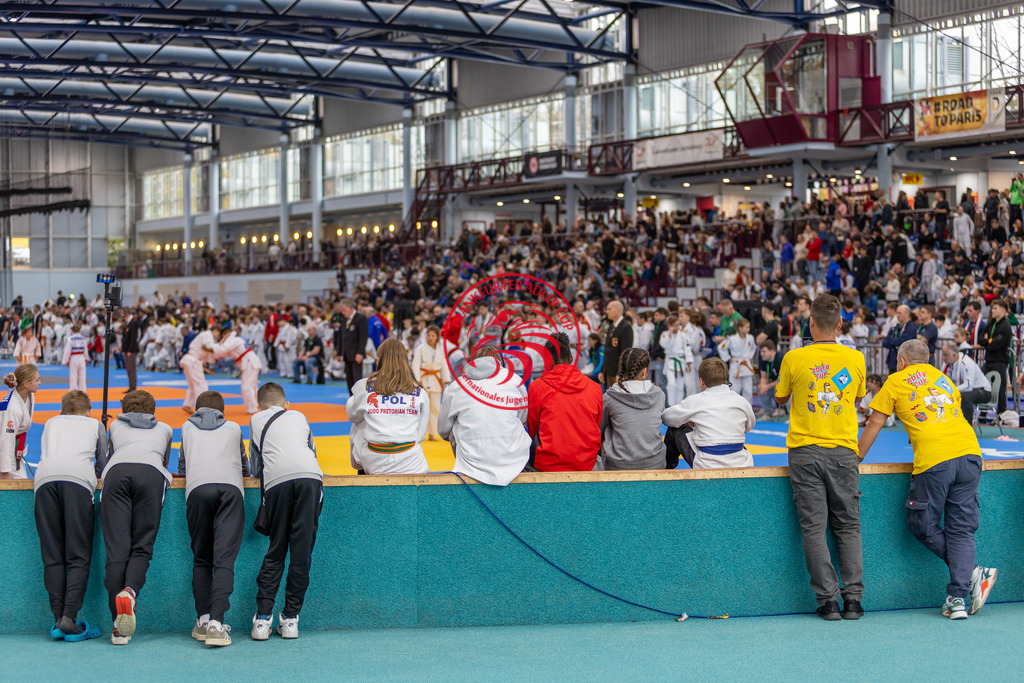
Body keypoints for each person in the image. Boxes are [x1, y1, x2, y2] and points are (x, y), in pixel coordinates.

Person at [859, 339, 997, 620]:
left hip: (935, 460)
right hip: (970, 454)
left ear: (901, 362)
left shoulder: (896, 381)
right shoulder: (944, 379)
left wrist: (856, 459)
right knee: (961, 529)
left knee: (921, 523)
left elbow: (875, 422)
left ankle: (971, 572)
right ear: (929, 359)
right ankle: (957, 598)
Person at [774, 294, 866, 621]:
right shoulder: (855, 359)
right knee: (848, 525)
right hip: (843, 450)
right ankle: (853, 600)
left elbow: (781, 396)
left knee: (814, 528)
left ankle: (828, 602)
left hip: (804, 451)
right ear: (840, 323)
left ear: (810, 322)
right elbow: (856, 396)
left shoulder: (794, 357)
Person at [249, 382, 324, 641]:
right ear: (286, 404)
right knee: (301, 554)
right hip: (310, 479)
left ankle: (262, 619)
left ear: (259, 406)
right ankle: (290, 619)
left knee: (276, 549)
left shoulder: (255, 420)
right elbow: (312, 451)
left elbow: (255, 466)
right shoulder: (300, 416)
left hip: (277, 483)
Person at [100, 390, 173, 645]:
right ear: (152, 409)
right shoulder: (165, 428)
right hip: (151, 474)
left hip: (117, 473)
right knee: (141, 547)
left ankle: (118, 628)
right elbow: (165, 460)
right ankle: (130, 591)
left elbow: (107, 456)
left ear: (124, 409)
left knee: (116, 551)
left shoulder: (115, 427)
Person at [34, 389, 107, 641]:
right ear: (88, 410)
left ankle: (58, 619)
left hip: (43, 482)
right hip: (77, 483)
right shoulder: (94, 424)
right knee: (78, 556)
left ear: (62, 409)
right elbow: (103, 462)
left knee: (52, 556)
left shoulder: (50, 423)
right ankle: (69, 617)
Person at [179, 390, 249, 648]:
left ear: (196, 409)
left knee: (201, 558)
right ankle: (218, 624)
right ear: (223, 411)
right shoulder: (233, 427)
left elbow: (183, 466)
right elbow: (245, 466)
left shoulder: (187, 427)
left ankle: (202, 619)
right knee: (224, 559)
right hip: (230, 490)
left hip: (197, 489)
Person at [438, 347, 530, 486]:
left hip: (470, 464)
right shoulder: (514, 380)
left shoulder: (456, 386)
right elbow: (524, 419)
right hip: (514, 460)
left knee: (455, 427)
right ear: (499, 362)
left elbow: (443, 430)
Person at [347, 338, 429, 475]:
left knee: (359, 421)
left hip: (374, 461)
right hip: (411, 461)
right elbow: (420, 433)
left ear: (379, 360)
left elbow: (352, 414)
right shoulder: (419, 391)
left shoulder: (365, 386)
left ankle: (360, 470)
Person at [527, 332, 603, 471]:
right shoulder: (594, 388)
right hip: (586, 463)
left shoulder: (536, 387)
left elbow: (533, 430)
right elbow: (595, 423)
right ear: (571, 357)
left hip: (548, 464)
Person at [661, 357, 755, 469]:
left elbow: (666, 418)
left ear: (701, 382)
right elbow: (749, 427)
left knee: (675, 429)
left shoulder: (695, 401)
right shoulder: (742, 401)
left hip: (706, 463)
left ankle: (665, 470)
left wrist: (689, 420)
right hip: (740, 462)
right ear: (726, 378)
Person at [598, 348, 667, 470]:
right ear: (645, 371)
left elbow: (599, 429)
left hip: (618, 465)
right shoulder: (659, 395)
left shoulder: (610, 396)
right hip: (654, 465)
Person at [209, 322, 264, 414]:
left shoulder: (234, 340)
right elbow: (221, 354)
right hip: (249, 361)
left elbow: (223, 349)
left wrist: (213, 346)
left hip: (249, 362)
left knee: (247, 387)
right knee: (252, 386)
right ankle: (259, 406)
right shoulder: (234, 340)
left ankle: (253, 409)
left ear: (226, 334)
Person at [412, 325, 452, 441]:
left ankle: (431, 433)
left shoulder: (440, 349)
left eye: (433, 336)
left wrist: (446, 381)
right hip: (423, 380)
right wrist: (417, 380)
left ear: (437, 337)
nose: (430, 338)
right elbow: (415, 364)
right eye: (428, 335)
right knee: (420, 407)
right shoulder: (420, 348)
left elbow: (444, 366)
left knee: (435, 408)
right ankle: (418, 432)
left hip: (435, 380)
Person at [0, 364, 40, 479]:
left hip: (15, 451)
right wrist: (5, 472)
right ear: (26, 384)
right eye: (37, 380)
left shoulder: (23, 394)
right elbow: (5, 440)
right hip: (5, 452)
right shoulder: (12, 408)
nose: (39, 383)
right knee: (16, 492)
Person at [942, 342, 991, 424]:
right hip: (970, 389)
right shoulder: (947, 364)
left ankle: (967, 426)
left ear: (954, 355)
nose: (943, 357)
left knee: (964, 397)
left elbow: (968, 386)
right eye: (943, 354)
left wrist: (951, 390)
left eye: (945, 355)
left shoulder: (967, 363)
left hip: (983, 391)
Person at [980, 298, 1012, 415]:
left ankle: (1001, 414)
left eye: (995, 308)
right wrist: (988, 341)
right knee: (984, 386)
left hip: (1000, 361)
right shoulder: (991, 323)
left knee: (1000, 389)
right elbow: (981, 338)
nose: (992, 310)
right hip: (989, 360)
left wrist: (987, 341)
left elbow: (995, 344)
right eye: (992, 308)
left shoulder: (1005, 326)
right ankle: (983, 413)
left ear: (1003, 310)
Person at [180, 324, 220, 413]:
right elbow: (207, 347)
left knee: (193, 385)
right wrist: (220, 350)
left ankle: (187, 404)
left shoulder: (204, 335)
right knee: (201, 384)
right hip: (193, 361)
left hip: (190, 360)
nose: (217, 336)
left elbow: (205, 352)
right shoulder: (207, 334)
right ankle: (203, 407)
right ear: (215, 330)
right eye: (218, 334)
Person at [718, 318, 757, 403]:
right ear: (740, 328)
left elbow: (754, 348)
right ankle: (735, 409)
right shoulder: (732, 339)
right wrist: (728, 358)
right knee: (735, 390)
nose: (748, 329)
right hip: (736, 365)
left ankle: (748, 409)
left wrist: (750, 356)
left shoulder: (750, 338)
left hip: (746, 365)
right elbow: (721, 347)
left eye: (748, 327)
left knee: (748, 391)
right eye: (746, 327)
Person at [334, 298, 369, 391]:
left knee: (357, 378)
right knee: (349, 378)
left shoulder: (360, 318)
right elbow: (341, 337)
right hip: (346, 353)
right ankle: (351, 399)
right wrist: (339, 353)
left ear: (350, 308)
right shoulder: (344, 320)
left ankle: (358, 399)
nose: (343, 312)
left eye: (344, 310)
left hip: (356, 353)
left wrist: (360, 352)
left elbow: (363, 337)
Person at [599, 300, 633, 386]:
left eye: (609, 309)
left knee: (620, 398)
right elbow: (607, 351)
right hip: (609, 371)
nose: (607, 312)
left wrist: (620, 373)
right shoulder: (611, 326)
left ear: (618, 310)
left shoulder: (626, 327)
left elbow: (625, 353)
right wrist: (602, 371)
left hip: (617, 372)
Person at [660, 315, 692, 406]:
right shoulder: (665, 334)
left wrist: (688, 362)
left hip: (681, 362)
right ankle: (671, 405)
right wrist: (670, 334)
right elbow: (664, 345)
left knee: (680, 386)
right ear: (670, 325)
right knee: (672, 384)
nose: (677, 327)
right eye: (675, 325)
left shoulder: (682, 335)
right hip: (670, 361)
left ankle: (679, 405)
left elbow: (687, 348)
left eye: (678, 325)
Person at [882, 304, 917, 373]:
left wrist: (892, 342)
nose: (897, 315)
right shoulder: (896, 327)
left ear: (907, 314)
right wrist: (894, 343)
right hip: (893, 361)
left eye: (899, 313)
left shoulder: (911, 327)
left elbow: (902, 342)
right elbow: (885, 342)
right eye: (897, 313)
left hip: (905, 362)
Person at [756, 340, 785, 420]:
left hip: (786, 386)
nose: (761, 354)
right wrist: (763, 386)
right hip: (774, 386)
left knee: (790, 393)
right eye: (761, 351)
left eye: (764, 351)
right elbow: (763, 376)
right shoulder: (763, 359)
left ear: (772, 351)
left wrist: (767, 386)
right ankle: (767, 414)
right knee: (761, 388)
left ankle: (791, 416)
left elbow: (782, 380)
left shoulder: (781, 359)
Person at [62, 323, 89, 391]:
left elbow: (67, 351)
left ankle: (73, 391)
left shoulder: (70, 339)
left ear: (72, 330)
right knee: (82, 375)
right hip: (81, 357)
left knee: (73, 376)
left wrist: (66, 360)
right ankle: (83, 391)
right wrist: (87, 359)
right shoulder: (83, 339)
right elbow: (85, 350)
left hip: (74, 358)